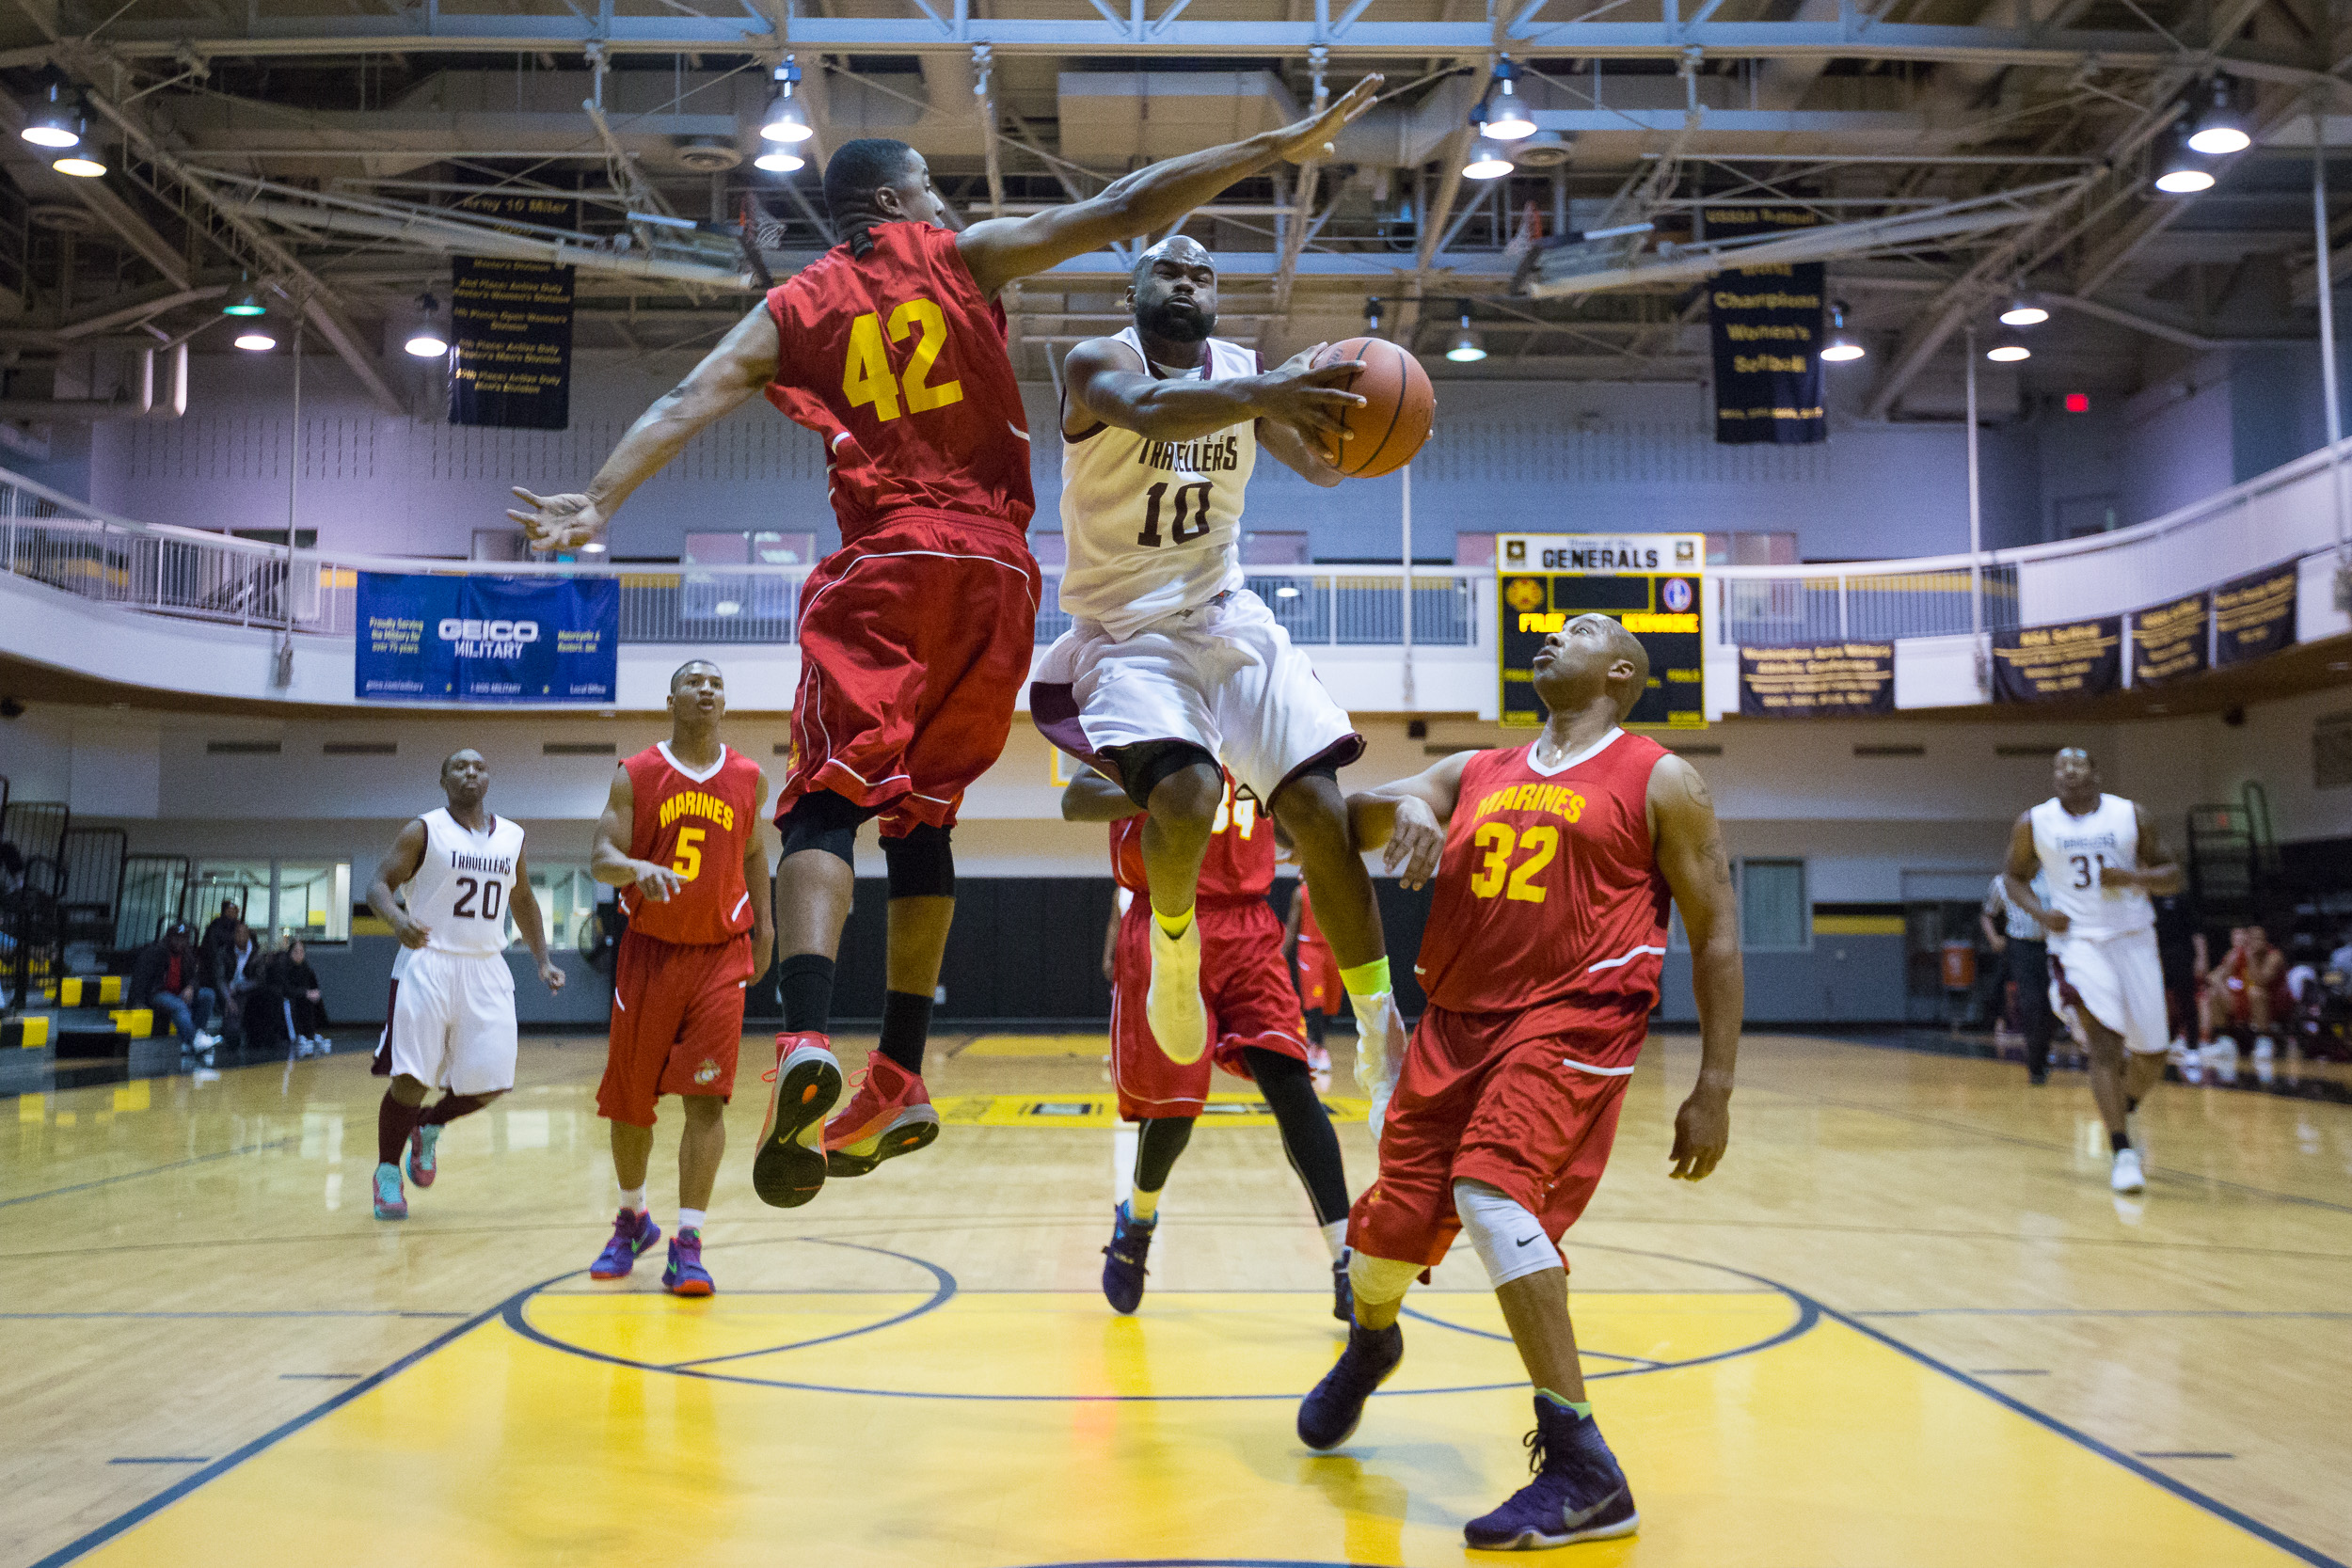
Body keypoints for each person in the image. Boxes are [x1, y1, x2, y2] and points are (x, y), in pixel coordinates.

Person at [506, 82, 1382, 1196]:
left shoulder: (794, 307)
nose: (942, 199)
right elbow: (1126, 204)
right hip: (1002, 578)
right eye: (927, 186)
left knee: (826, 801)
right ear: (890, 198)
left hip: (889, 560)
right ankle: (903, 1071)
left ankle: (812, 1036)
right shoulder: (960, 256)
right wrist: (1275, 143)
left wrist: (598, 500)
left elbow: (691, 393)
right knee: (922, 820)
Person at [1294, 615, 1742, 1551]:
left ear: (1621, 671)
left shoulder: (1661, 777)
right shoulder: (1476, 769)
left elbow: (1715, 931)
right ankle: (1373, 1338)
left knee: (1491, 1188)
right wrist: (1409, 804)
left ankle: (1584, 1466)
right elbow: (1357, 811)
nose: (1547, 633)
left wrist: (1716, 1083)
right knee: (1381, 1245)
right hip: (1455, 1025)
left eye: (1576, 630)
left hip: (1574, 1017)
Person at [1029, 233, 1399, 1101]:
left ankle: (1380, 1022)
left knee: (1317, 807)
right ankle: (1171, 938)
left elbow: (1322, 471)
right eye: (1171, 269)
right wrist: (1273, 389)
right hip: (1127, 629)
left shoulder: (1242, 369)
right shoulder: (1095, 364)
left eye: (1204, 273)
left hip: (1226, 611)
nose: (1189, 281)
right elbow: (1151, 411)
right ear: (1136, 288)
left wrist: (1354, 426)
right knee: (1188, 796)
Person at [1063, 767, 1353, 1320]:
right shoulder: (1142, 718)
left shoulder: (1257, 725)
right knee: (1175, 1112)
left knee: (1292, 1083)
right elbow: (1077, 799)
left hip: (1248, 925)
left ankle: (1346, 1260)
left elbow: (1286, 825)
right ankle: (1138, 1218)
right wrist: (1166, 788)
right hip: (1166, 919)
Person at [586, 660, 788, 1297]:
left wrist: (768, 924)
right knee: (631, 1104)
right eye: (695, 682)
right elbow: (600, 857)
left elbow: (755, 851)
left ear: (725, 701)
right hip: (649, 953)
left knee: (708, 1099)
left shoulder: (749, 777)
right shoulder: (637, 774)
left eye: (717, 683)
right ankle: (632, 1217)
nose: (707, 689)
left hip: (720, 956)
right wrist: (634, 868)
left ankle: (689, 1244)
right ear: (671, 696)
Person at [364, 749, 564, 1222]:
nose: (470, 772)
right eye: (459, 766)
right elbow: (377, 885)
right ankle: (387, 1173)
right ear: (443, 779)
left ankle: (429, 1127)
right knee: (411, 1079)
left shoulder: (513, 836)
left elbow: (522, 898)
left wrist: (542, 960)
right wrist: (396, 921)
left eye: (478, 766)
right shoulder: (424, 829)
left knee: (493, 1082)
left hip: (487, 967)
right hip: (428, 961)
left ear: (489, 778)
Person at [2000, 747, 2184, 1196]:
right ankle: (2122, 1149)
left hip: (2134, 938)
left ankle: (2122, 1107)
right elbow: (2012, 878)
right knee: (2105, 1044)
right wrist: (2042, 916)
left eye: (2076, 764)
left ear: (2095, 773)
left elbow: (2173, 874)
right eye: (2059, 766)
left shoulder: (2130, 815)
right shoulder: (2034, 822)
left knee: (2153, 1056)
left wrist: (2134, 879)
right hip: (2078, 942)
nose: (2067, 772)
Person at [1980, 869, 2055, 1084]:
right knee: (2031, 1003)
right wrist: (1994, 938)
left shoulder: (2051, 876)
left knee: (2050, 1004)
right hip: (2021, 946)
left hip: (2051, 945)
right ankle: (2035, 1066)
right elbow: (1988, 914)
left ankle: (2042, 1054)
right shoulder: (2002, 882)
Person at [128, 921, 218, 1064]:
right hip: (157, 993)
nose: (179, 942)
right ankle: (194, 1039)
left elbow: (195, 977)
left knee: (208, 995)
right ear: (169, 938)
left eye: (183, 939)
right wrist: (137, 1002)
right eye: (176, 938)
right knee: (178, 1005)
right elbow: (140, 978)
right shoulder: (156, 952)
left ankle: (196, 1037)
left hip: (178, 992)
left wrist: (190, 987)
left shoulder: (187, 954)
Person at [1280, 881, 1341, 1077]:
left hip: (1334, 948)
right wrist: (1279, 957)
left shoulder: (1338, 887)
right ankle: (1319, 1048)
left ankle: (1313, 1042)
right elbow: (1291, 929)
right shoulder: (1301, 893)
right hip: (1310, 949)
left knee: (1332, 1004)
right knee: (1316, 1001)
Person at [2204, 922, 2288, 1062]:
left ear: (2266, 940)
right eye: (2252, 939)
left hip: (2273, 1006)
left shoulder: (2274, 956)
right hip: (2245, 1003)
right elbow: (2215, 977)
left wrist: (2251, 959)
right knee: (2213, 994)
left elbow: (2260, 981)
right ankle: (2225, 1042)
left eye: (2259, 939)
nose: (2255, 943)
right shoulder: (2237, 955)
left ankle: (2264, 1041)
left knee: (2256, 992)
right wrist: (2223, 985)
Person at [266, 938, 331, 1057]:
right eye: (296, 952)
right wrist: (305, 993)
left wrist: (312, 994)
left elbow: (309, 986)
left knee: (311, 1000)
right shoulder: (282, 966)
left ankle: (309, 1035)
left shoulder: (305, 968)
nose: (299, 955)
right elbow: (285, 989)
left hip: (298, 996)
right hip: (281, 998)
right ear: (290, 953)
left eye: (302, 952)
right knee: (289, 1003)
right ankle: (294, 1037)